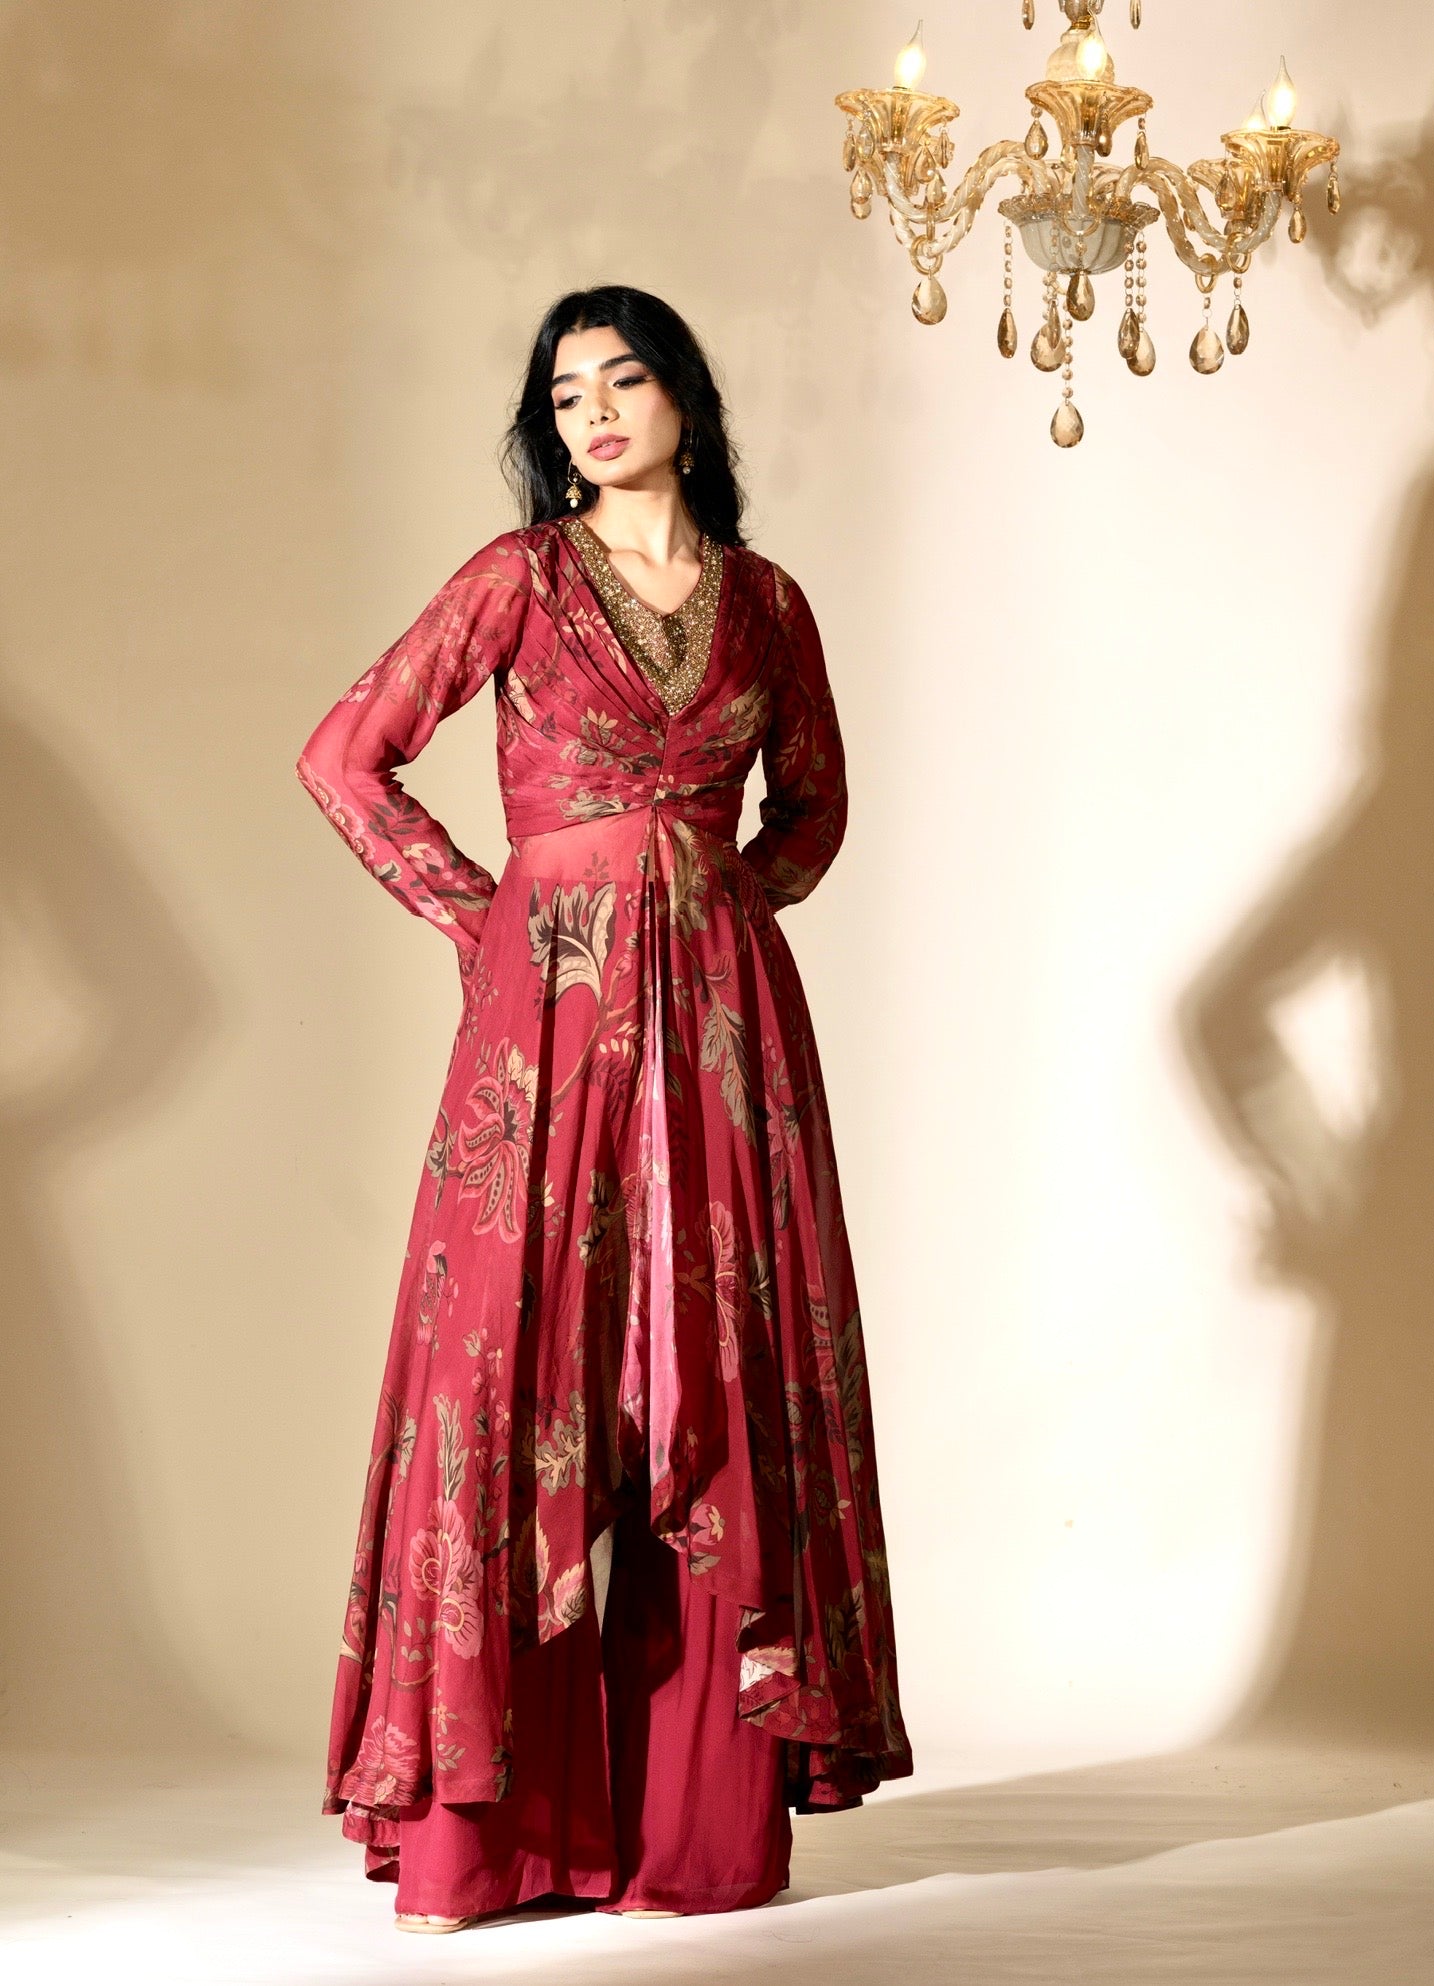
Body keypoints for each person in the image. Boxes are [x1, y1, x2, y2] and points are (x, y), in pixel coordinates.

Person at [296, 284, 912, 1931]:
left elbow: (816, 809)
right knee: (520, 1368)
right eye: (566, 394)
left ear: (685, 403)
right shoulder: (517, 578)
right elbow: (346, 757)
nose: (595, 412)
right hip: (547, 1025)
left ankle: (695, 1832)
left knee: (714, 1372)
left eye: (624, 380)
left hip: (720, 1035)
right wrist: (485, 915)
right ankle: (499, 1838)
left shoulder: (767, 605)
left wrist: (712, 907)